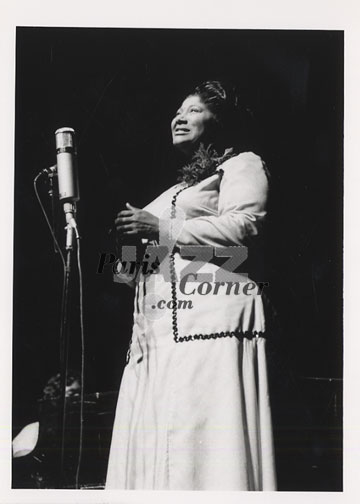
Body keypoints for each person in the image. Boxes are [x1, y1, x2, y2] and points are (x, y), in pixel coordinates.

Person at [105, 80, 277, 490]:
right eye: (177, 111)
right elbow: (149, 256)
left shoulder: (242, 164)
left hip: (210, 321)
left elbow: (245, 228)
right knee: (162, 441)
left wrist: (160, 226)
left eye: (194, 110)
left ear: (222, 120)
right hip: (159, 333)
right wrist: (126, 258)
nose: (180, 117)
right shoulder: (177, 189)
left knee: (201, 435)